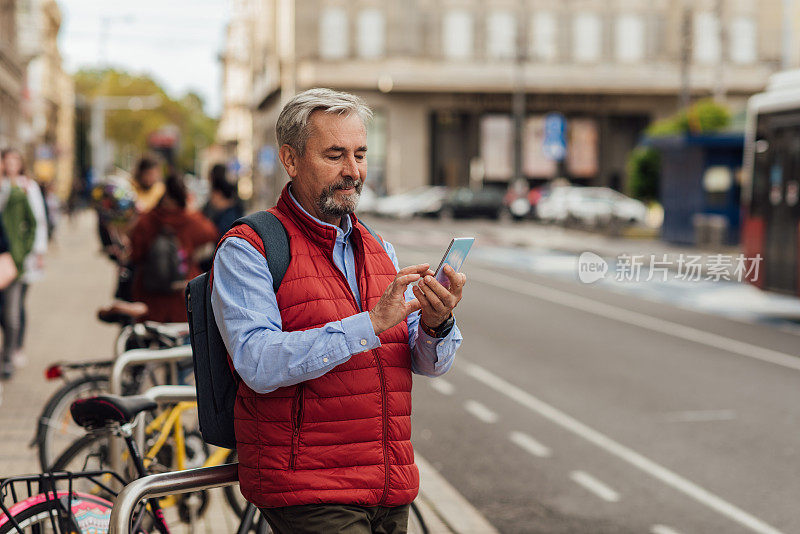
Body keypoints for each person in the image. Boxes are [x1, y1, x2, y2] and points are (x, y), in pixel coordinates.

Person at [211, 88, 467, 534]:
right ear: (290, 160)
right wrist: (368, 324)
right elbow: (256, 361)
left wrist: (436, 323)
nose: (353, 171)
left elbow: (430, 365)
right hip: (310, 487)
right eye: (335, 155)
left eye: (361, 154)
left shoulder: (378, 248)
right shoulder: (248, 248)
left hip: (390, 484)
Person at [128, 173, 218, 323]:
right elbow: (212, 233)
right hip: (182, 300)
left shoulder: (147, 220)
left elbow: (135, 255)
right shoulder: (191, 220)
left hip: (149, 302)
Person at [0, 148, 48, 373]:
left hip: (16, 259)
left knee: (15, 308)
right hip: (11, 256)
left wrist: (35, 251)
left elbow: (37, 219)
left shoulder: (26, 187)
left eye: (14, 160)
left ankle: (13, 349)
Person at [202, 163, 244, 235]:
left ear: (219, 194)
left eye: (213, 195)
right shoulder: (234, 211)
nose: (212, 200)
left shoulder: (228, 220)